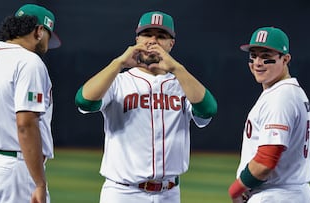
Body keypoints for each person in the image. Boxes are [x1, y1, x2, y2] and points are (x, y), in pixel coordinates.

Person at [75, 11, 217, 203]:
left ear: (171, 44)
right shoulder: (118, 81)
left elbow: (208, 110)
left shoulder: (183, 85)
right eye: (147, 34)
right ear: (137, 39)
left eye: (161, 36)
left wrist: (177, 68)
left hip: (169, 193)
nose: (153, 40)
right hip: (123, 193)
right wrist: (119, 63)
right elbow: (84, 101)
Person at [0, 4, 61, 203]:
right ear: (39, 31)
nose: (47, 46)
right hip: (16, 170)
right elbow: (25, 124)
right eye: (48, 37)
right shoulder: (29, 62)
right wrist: (39, 183)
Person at [228, 27, 310, 203]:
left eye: (266, 56)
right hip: (289, 193)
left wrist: (237, 189)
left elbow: (266, 160)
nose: (258, 62)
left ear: (285, 59)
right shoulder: (290, 92)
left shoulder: (281, 96)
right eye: (253, 55)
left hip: (277, 195)